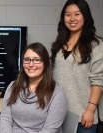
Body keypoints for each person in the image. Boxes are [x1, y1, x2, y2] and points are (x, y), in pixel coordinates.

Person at [51, 0, 103, 132]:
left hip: (83, 116)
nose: (72, 18)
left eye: (77, 14)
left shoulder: (96, 45)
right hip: (58, 114)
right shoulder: (59, 43)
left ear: (85, 16)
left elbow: (98, 80)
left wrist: (90, 110)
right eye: (68, 14)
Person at [0, 42, 68, 133]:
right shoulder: (13, 86)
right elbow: (5, 118)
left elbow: (49, 130)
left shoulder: (57, 93)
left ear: (45, 63)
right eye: (27, 59)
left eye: (36, 60)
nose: (31, 65)